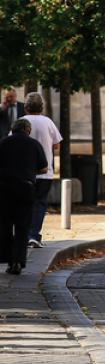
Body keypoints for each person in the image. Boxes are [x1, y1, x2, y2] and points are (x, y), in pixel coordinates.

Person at [0, 119, 48, 275]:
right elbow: (44, 168)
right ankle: (19, 261)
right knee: (23, 226)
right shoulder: (35, 144)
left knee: (5, 224)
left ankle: (8, 258)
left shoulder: (3, 143)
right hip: (26, 187)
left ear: (12, 129)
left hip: (5, 187)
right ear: (29, 130)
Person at [21, 93, 61, 250]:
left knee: (24, 204)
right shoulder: (48, 122)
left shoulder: (21, 122)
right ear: (42, 108)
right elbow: (57, 145)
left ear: (25, 107)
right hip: (45, 172)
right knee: (40, 203)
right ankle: (34, 235)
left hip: (24, 172)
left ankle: (23, 235)